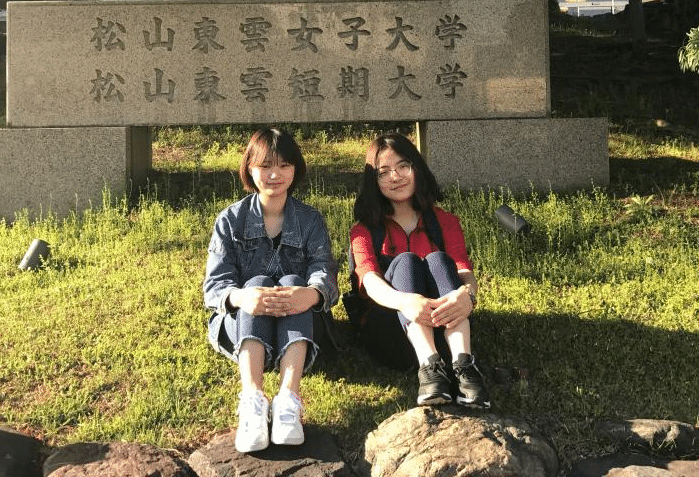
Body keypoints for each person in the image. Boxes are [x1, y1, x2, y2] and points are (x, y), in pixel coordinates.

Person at [203, 127, 339, 453]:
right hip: (243, 327)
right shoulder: (230, 220)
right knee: (255, 285)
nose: (274, 175)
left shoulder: (310, 220)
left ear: (296, 169)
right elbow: (215, 286)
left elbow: (324, 272)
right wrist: (242, 297)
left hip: (300, 328)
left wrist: (311, 293)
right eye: (265, 166)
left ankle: (288, 400)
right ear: (250, 169)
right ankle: (252, 400)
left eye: (284, 165)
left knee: (294, 282)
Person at [348, 132, 490, 408]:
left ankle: (463, 365)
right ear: (374, 181)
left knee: (438, 260)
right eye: (383, 172)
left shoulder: (445, 221)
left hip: (444, 328)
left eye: (403, 166)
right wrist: (405, 302)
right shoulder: (364, 230)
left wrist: (467, 294)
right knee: (407, 262)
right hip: (393, 335)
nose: (395, 177)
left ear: (417, 168)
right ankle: (430, 368)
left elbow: (462, 268)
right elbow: (370, 280)